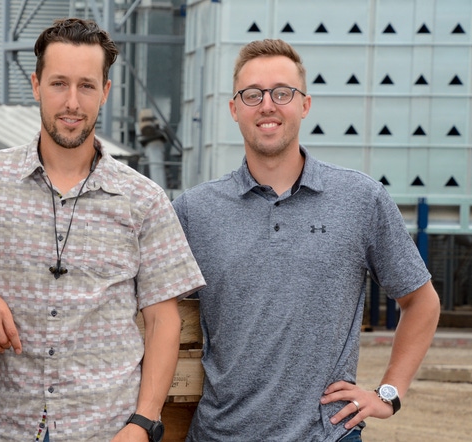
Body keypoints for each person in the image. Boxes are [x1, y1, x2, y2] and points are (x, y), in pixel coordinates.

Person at [0, 18, 205, 442]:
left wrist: (143, 424)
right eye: (59, 83)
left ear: (106, 91)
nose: (71, 102)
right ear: (35, 85)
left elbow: (162, 320)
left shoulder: (144, 198)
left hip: (102, 428)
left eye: (86, 85)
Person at [173, 38, 441, 441]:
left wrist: (388, 393)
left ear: (304, 105)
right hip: (220, 433)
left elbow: (421, 301)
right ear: (233, 109)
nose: (267, 105)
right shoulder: (194, 211)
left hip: (326, 434)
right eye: (252, 94)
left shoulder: (361, 199)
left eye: (282, 93)